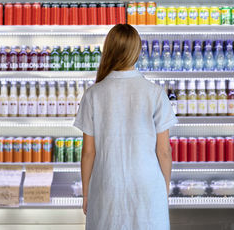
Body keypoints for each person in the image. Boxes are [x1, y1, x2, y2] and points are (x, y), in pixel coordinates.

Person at [74, 24, 177, 230]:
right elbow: (164, 151)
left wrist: (86, 194)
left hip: (107, 185)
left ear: (109, 50)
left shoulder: (93, 94)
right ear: (137, 52)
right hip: (147, 186)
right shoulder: (155, 93)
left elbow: (88, 152)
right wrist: (163, 189)